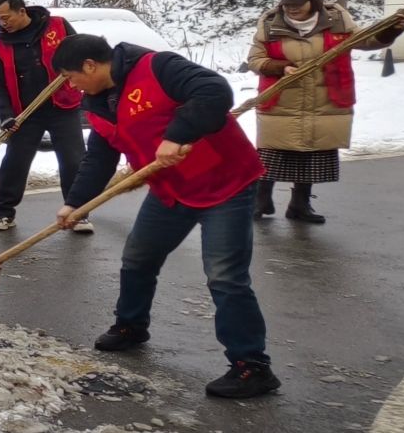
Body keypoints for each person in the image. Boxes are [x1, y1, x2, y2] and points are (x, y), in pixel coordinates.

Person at [51, 33, 276, 400]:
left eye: (70, 77)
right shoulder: (97, 105)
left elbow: (214, 90)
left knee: (225, 276)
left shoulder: (157, 67)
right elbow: (100, 157)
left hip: (225, 185)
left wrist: (177, 134)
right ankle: (131, 326)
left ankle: (251, 365)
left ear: (90, 65)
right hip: (171, 190)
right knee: (138, 258)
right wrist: (76, 203)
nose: (71, 86)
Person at [246, 0, 404, 225]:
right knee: (271, 153)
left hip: (325, 99)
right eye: (287, 4)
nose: (291, 9)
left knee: (312, 152)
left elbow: (367, 41)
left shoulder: (337, 21)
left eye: (297, 4)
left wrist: (392, 30)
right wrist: (281, 67)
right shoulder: (270, 23)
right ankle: (261, 200)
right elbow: (255, 59)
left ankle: (300, 205)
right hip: (282, 100)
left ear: (314, 2)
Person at [0, 0, 90, 235]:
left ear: (22, 11)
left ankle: (78, 214)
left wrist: (75, 75)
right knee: (15, 162)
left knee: (73, 161)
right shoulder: (1, 44)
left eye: (6, 17)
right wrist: (6, 115)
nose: (3, 23)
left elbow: (81, 54)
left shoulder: (57, 26)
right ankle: (4, 213)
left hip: (62, 107)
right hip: (25, 113)